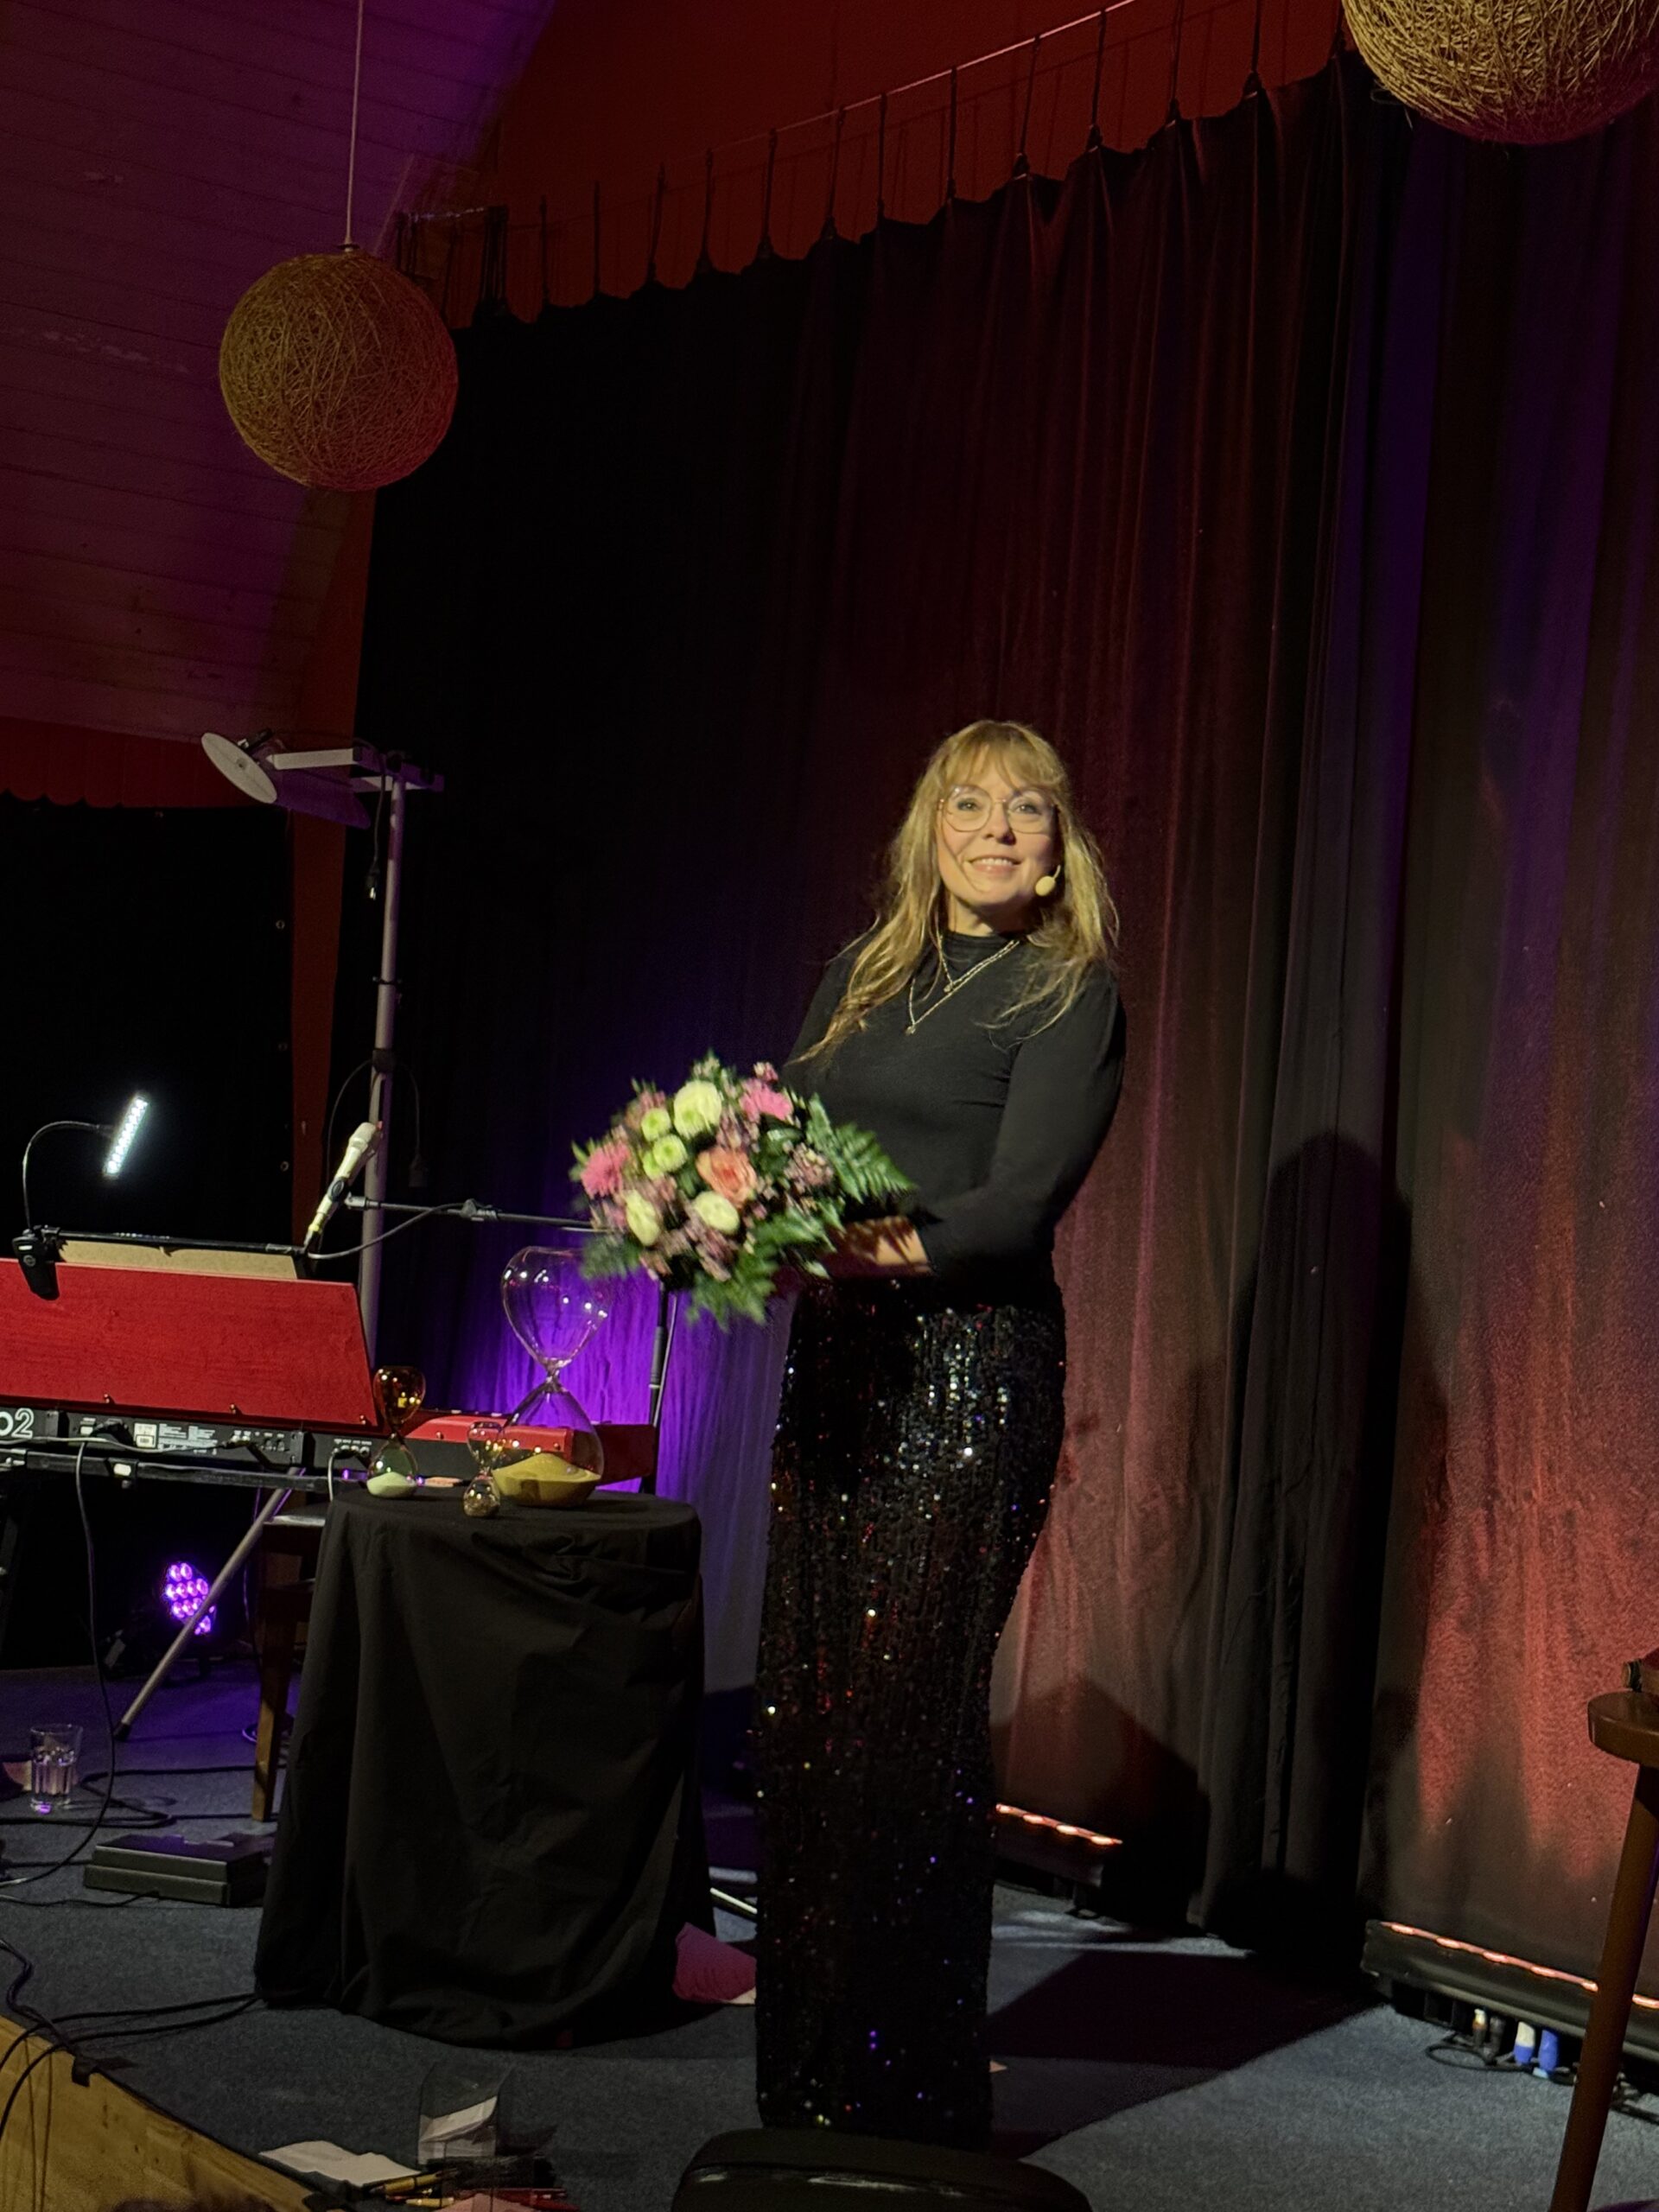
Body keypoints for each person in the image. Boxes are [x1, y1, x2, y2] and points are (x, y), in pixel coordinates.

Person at [754, 718, 1127, 2149]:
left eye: (1027, 809)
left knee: (904, 1730)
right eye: (968, 804)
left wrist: (837, 1254)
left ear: (1059, 847)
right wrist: (712, 1214)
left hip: (971, 1376)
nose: (995, 830)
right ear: (929, 827)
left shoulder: (1069, 991)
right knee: (811, 1723)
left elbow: (1015, 1211)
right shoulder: (863, 973)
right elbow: (780, 1145)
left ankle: (910, 2106)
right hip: (841, 1373)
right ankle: (809, 2092)